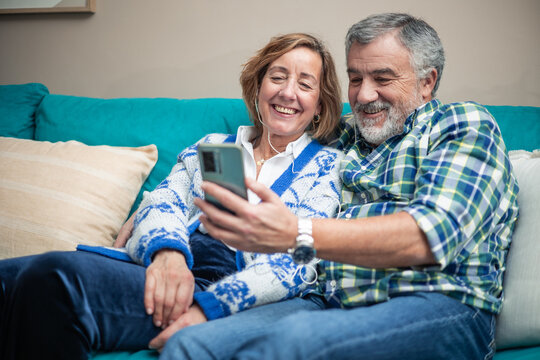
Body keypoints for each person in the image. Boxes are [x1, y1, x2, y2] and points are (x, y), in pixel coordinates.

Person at [160, 13, 519, 360]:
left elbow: (427, 236)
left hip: (436, 303)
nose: (363, 96)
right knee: (192, 345)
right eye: (355, 79)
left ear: (427, 82)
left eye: (382, 78)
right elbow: (280, 124)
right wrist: (154, 208)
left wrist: (296, 233)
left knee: (293, 343)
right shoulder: (345, 134)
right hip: (326, 301)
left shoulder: (461, 124)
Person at [0, 33, 344, 359]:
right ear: (258, 87)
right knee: (8, 277)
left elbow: (303, 256)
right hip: (167, 267)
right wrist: (168, 255)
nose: (287, 92)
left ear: (319, 105)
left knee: (54, 278)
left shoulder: (327, 167)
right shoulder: (213, 146)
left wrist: (212, 305)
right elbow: (163, 201)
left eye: (304, 84)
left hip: (220, 289)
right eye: (278, 77)